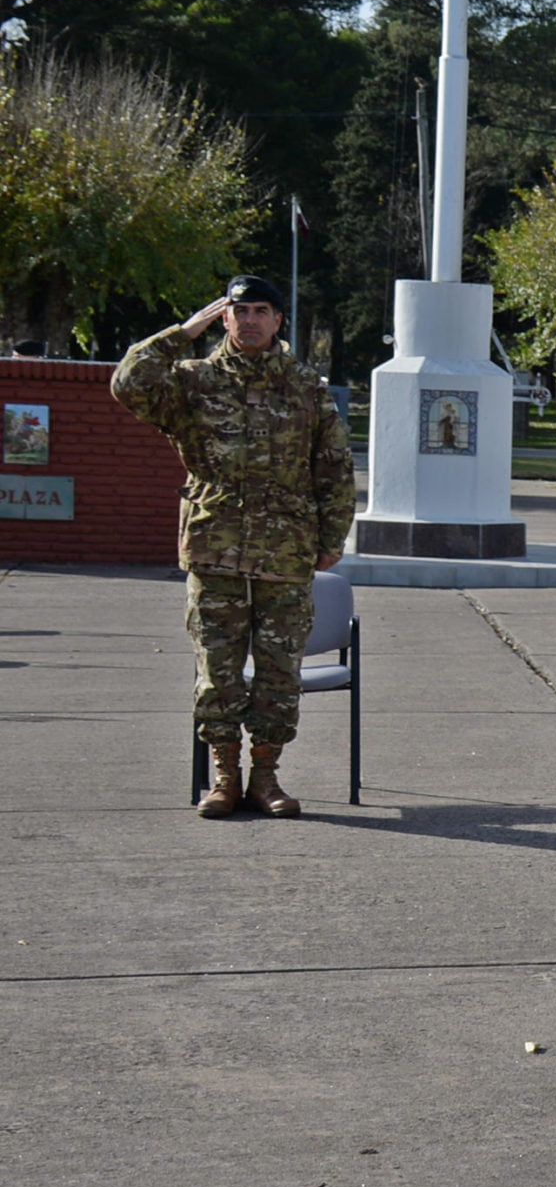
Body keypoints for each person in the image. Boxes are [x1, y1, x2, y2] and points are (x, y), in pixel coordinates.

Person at [113, 274, 356, 818]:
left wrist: (331, 537)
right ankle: (225, 776)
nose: (249, 320)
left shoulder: (305, 386)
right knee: (217, 671)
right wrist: (182, 332)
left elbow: (335, 467)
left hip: (286, 549)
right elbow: (128, 384)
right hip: (214, 544)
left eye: (260, 311)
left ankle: (266, 777)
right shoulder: (193, 381)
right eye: (239, 310)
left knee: (278, 671)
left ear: (278, 320)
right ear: (224, 317)